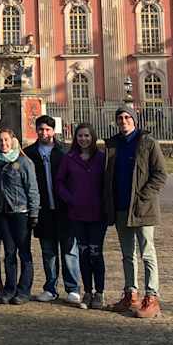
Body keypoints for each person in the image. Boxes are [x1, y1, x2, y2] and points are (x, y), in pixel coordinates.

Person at [104, 106, 168, 318]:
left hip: (143, 208)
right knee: (127, 255)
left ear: (134, 120)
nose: (123, 121)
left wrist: (143, 196)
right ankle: (131, 294)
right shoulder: (112, 145)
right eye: (120, 118)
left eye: (127, 117)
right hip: (121, 207)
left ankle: (152, 296)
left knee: (147, 253)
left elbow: (160, 174)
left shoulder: (148, 143)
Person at [25, 114, 81, 304]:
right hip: (43, 210)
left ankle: (73, 288)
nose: (44, 132)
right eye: (41, 129)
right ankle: (50, 288)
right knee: (48, 252)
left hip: (64, 209)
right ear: (36, 131)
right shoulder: (29, 153)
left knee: (69, 251)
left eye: (48, 129)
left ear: (53, 131)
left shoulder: (64, 152)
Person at [55, 122, 106, 308]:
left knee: (96, 253)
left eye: (86, 136)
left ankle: (99, 292)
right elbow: (59, 182)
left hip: (97, 214)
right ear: (75, 138)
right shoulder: (69, 158)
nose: (83, 139)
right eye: (80, 136)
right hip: (77, 213)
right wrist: (70, 198)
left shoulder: (101, 158)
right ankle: (87, 291)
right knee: (83, 254)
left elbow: (107, 184)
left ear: (92, 137)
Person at [0, 127, 39, 305]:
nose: (3, 143)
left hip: (21, 213)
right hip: (3, 213)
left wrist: (34, 213)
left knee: (24, 253)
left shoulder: (24, 162)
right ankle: (10, 289)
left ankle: (24, 291)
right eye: (0, 140)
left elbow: (32, 189)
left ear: (13, 141)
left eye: (6, 140)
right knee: (9, 253)